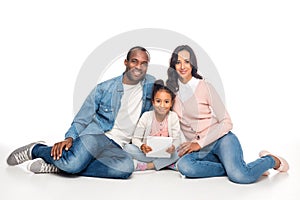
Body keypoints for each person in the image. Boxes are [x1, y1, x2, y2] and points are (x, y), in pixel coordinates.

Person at [7, 46, 155, 179]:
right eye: (134, 61)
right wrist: (70, 138)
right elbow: (82, 118)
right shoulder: (104, 88)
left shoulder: (150, 85)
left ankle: (60, 167)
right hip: (96, 136)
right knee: (72, 164)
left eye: (144, 63)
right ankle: (37, 150)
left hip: (118, 145)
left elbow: (166, 97)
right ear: (126, 62)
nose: (138, 67)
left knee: (125, 169)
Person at [166, 45, 289, 184]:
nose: (182, 66)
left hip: (221, 140)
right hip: (200, 149)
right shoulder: (171, 93)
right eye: (178, 62)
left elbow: (227, 122)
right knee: (184, 166)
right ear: (173, 65)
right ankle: (239, 168)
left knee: (240, 176)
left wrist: (199, 144)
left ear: (193, 64)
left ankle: (270, 160)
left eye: (187, 61)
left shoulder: (205, 87)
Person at [124, 79, 181, 171]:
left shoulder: (173, 116)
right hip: (148, 152)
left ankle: (148, 166)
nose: (162, 105)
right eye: (158, 101)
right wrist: (142, 146)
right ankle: (166, 164)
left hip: (166, 152)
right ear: (153, 102)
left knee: (180, 150)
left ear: (171, 103)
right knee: (127, 148)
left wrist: (173, 147)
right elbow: (135, 139)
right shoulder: (146, 116)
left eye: (166, 102)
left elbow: (177, 139)